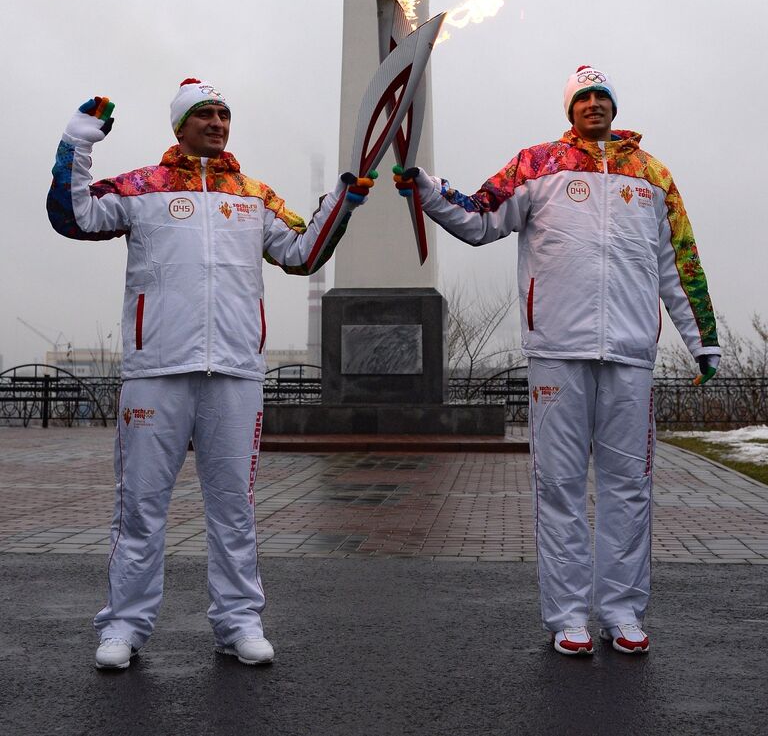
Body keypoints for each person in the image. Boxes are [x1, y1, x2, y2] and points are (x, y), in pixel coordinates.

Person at [47, 79, 374, 670]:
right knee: (141, 507)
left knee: (234, 507)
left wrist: (341, 203)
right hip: (157, 369)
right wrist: (77, 144)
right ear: (180, 125)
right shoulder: (142, 187)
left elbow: (301, 253)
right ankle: (124, 626)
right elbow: (73, 218)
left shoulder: (254, 195)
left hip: (234, 371)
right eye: (205, 114)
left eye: (224, 113)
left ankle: (239, 621)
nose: (218, 122)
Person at [394, 66, 719, 656]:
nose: (594, 105)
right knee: (560, 484)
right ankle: (569, 616)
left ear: (615, 107)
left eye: (603, 96)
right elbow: (480, 217)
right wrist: (427, 188)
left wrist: (704, 341)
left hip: (629, 354)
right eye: (584, 98)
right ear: (570, 110)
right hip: (556, 352)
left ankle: (622, 611)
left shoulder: (652, 176)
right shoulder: (537, 164)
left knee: (630, 485)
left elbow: (681, 263)